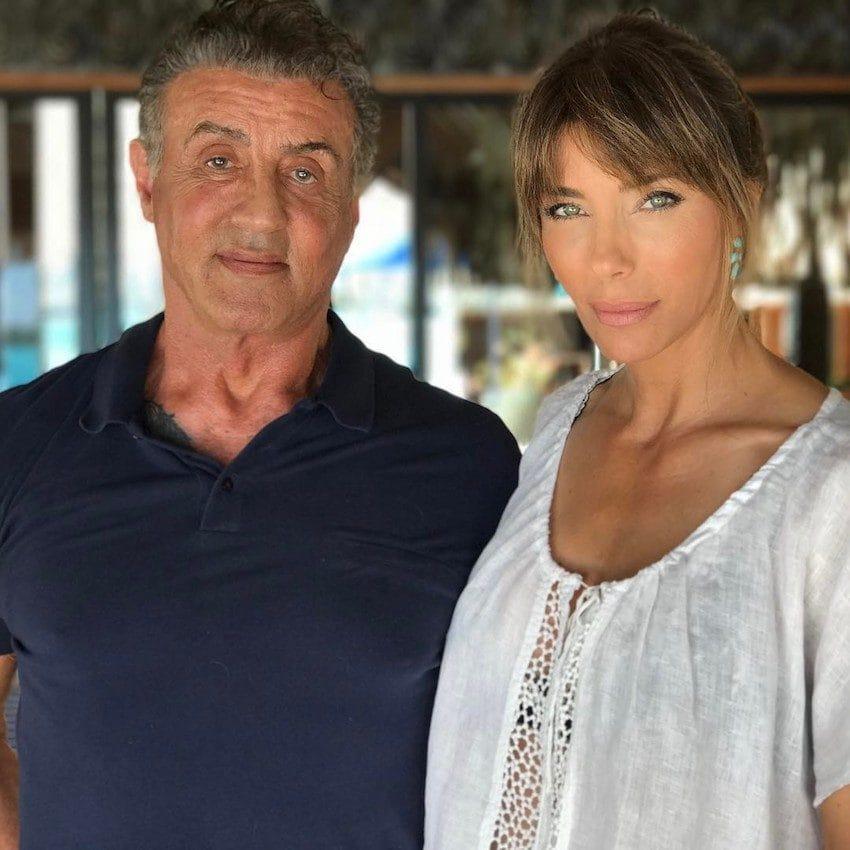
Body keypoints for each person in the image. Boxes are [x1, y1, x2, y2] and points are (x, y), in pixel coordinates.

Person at [0, 2, 521, 848]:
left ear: (351, 210)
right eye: (218, 161)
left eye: (305, 173)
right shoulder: (19, 442)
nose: (261, 215)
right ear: (146, 181)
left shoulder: (470, 465)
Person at [425, 11, 850, 850]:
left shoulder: (830, 496)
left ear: (741, 203)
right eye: (568, 207)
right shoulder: (557, 429)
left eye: (656, 199)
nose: (606, 258)